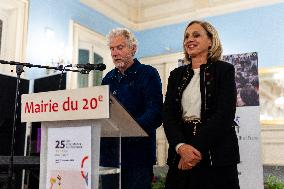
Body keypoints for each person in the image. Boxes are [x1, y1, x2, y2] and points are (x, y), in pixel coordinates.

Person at [163, 20, 240, 189]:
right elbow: (168, 115)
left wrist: (194, 149)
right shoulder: (176, 75)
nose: (189, 39)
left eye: (196, 35)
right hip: (181, 152)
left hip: (216, 152)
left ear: (211, 41)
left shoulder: (224, 70)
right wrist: (181, 147)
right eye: (187, 36)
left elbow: (224, 115)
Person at [100, 28, 163, 189]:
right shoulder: (108, 78)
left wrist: (128, 129)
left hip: (138, 157)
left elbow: (155, 112)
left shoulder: (148, 74)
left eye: (120, 47)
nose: (114, 53)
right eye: (112, 49)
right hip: (110, 157)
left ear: (133, 48)